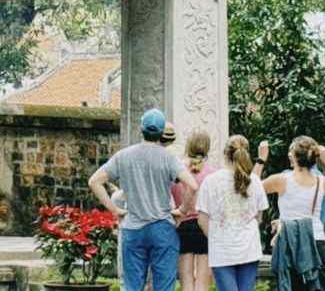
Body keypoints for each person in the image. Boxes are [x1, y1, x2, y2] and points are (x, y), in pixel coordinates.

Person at [90, 109, 199, 291]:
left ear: (141, 129)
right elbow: (192, 186)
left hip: (133, 228)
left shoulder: (123, 156)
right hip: (162, 227)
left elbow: (94, 181)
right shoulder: (169, 157)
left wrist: (115, 210)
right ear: (161, 131)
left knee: (132, 285)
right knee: (163, 285)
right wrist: (182, 210)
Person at [261, 136, 325, 291]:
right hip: (316, 241)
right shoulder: (323, 182)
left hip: (289, 242)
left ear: (292, 157)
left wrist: (261, 160)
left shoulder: (280, 180)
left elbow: (250, 189)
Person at [196, 135, 269, 291]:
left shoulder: (211, 181)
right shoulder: (254, 181)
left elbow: (202, 220)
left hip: (222, 249)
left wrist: (217, 235)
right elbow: (259, 217)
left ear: (225, 154)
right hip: (249, 247)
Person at [172, 131, 216, 291]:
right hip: (205, 226)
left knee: (186, 279)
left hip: (183, 225)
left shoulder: (178, 172)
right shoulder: (213, 173)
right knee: (203, 280)